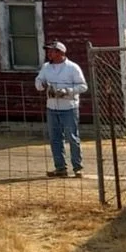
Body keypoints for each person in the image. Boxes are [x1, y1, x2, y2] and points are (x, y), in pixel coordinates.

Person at [35, 41, 88, 177]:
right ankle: (60, 168)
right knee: (55, 138)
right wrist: (41, 84)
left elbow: (83, 86)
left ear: (60, 52)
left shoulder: (72, 67)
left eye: (52, 51)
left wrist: (67, 91)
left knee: (72, 137)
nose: (49, 53)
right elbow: (38, 82)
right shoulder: (46, 67)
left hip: (69, 107)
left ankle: (77, 167)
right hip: (52, 106)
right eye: (49, 51)